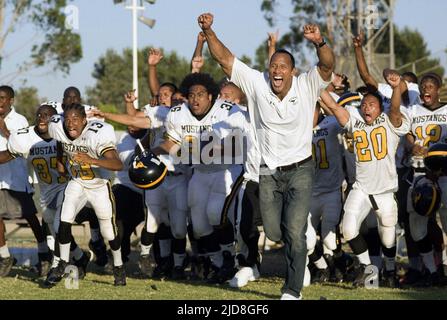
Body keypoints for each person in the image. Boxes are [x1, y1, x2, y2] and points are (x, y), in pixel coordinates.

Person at [197, 12, 334, 299]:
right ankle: (297, 253)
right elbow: (225, 59)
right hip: (268, 173)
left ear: (292, 71)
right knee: (274, 232)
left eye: (283, 66)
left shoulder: (307, 84)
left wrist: (320, 42)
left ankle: (293, 288)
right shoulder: (257, 83)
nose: (277, 70)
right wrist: (210, 31)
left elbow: (327, 65)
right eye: (273, 65)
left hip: (300, 170)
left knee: (295, 232)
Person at [320, 70, 409, 288]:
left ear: (380, 108)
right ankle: (369, 271)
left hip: (385, 190)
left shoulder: (389, 121)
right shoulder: (355, 122)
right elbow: (333, 107)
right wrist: (316, 85)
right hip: (361, 188)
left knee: (388, 238)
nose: (367, 107)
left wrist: (396, 88)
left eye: (372, 104)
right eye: (364, 104)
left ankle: (389, 269)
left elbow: (396, 110)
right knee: (349, 229)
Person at [44, 103, 125, 286]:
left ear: (84, 120)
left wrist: (91, 160)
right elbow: (61, 142)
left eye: (75, 120)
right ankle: (63, 263)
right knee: (63, 220)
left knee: (108, 231)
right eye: (67, 119)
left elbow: (118, 164)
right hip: (77, 182)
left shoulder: (97, 134)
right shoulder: (57, 126)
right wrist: (60, 162)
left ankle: (119, 267)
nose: (70, 124)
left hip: (98, 186)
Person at [0, 85, 50, 277]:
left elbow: (22, 146)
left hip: (17, 180)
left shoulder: (19, 120)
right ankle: (5, 256)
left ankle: (44, 253)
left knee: (31, 217)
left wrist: (4, 129)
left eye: (3, 98)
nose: (0, 102)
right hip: (0, 179)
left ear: (11, 100)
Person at [405, 72, 447, 286]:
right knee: (416, 225)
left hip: (445, 176)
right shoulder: (412, 110)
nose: (425, 89)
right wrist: (412, 144)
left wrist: (440, 168)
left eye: (430, 85)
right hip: (419, 175)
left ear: (438, 88)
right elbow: (404, 131)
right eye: (422, 86)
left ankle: (443, 268)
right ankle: (431, 271)